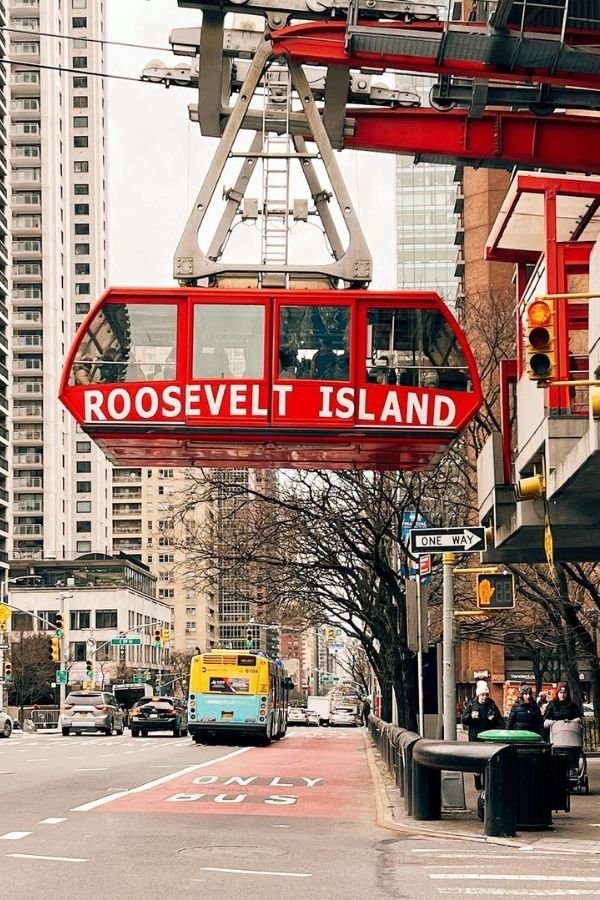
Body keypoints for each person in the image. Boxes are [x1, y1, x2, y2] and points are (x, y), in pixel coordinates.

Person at [461, 681, 504, 790]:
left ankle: (486, 783)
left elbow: (500, 721)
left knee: (487, 760)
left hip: (488, 738)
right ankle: (477, 779)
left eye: (486, 695)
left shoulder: (492, 705)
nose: (485, 697)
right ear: (478, 695)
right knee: (477, 760)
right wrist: (470, 717)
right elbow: (464, 720)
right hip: (476, 737)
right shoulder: (472, 704)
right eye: (482, 695)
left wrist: (496, 725)